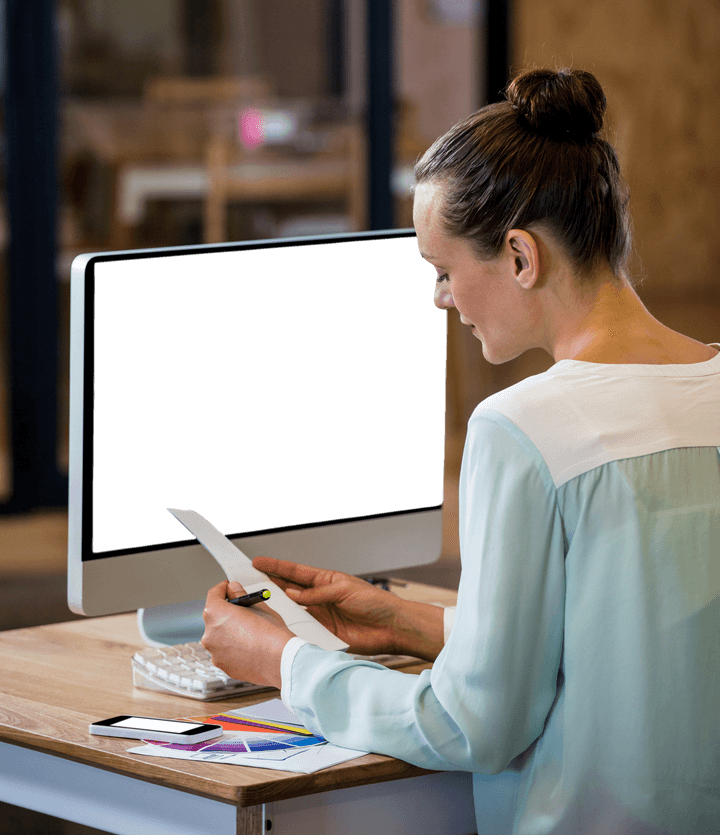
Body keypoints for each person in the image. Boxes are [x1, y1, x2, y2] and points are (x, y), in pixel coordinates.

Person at [201, 68, 720, 835]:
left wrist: (283, 662)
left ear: (519, 256)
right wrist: (414, 624)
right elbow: (645, 641)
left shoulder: (522, 428)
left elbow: (474, 723)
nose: (440, 299)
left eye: (443, 272)